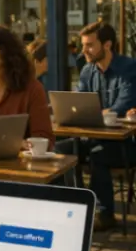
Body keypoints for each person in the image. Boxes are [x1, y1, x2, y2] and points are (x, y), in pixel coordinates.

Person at [54, 21, 136, 231]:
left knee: (98, 155)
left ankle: (105, 214)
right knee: (59, 152)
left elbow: (122, 105)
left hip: (124, 144)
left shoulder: (128, 68)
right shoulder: (87, 72)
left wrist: (97, 114)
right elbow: (79, 105)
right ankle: (74, 206)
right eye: (83, 45)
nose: (84, 51)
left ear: (107, 45)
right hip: (93, 139)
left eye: (89, 45)